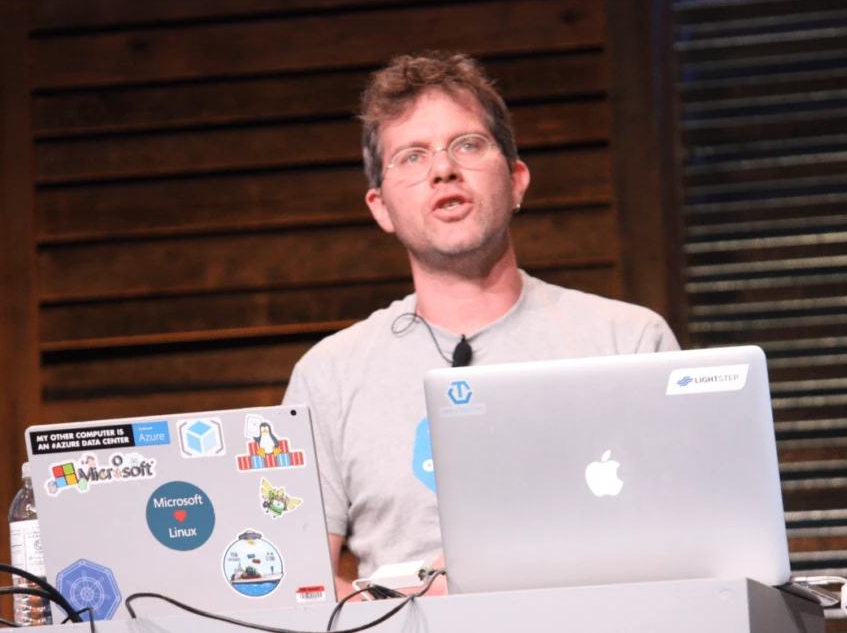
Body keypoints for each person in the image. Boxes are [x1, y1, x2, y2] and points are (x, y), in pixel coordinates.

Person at [281, 52, 679, 598]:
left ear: (516, 181)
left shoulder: (629, 341)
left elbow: (687, 546)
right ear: (381, 208)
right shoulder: (329, 374)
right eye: (412, 156)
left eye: (467, 145)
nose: (443, 169)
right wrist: (409, 607)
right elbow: (291, 579)